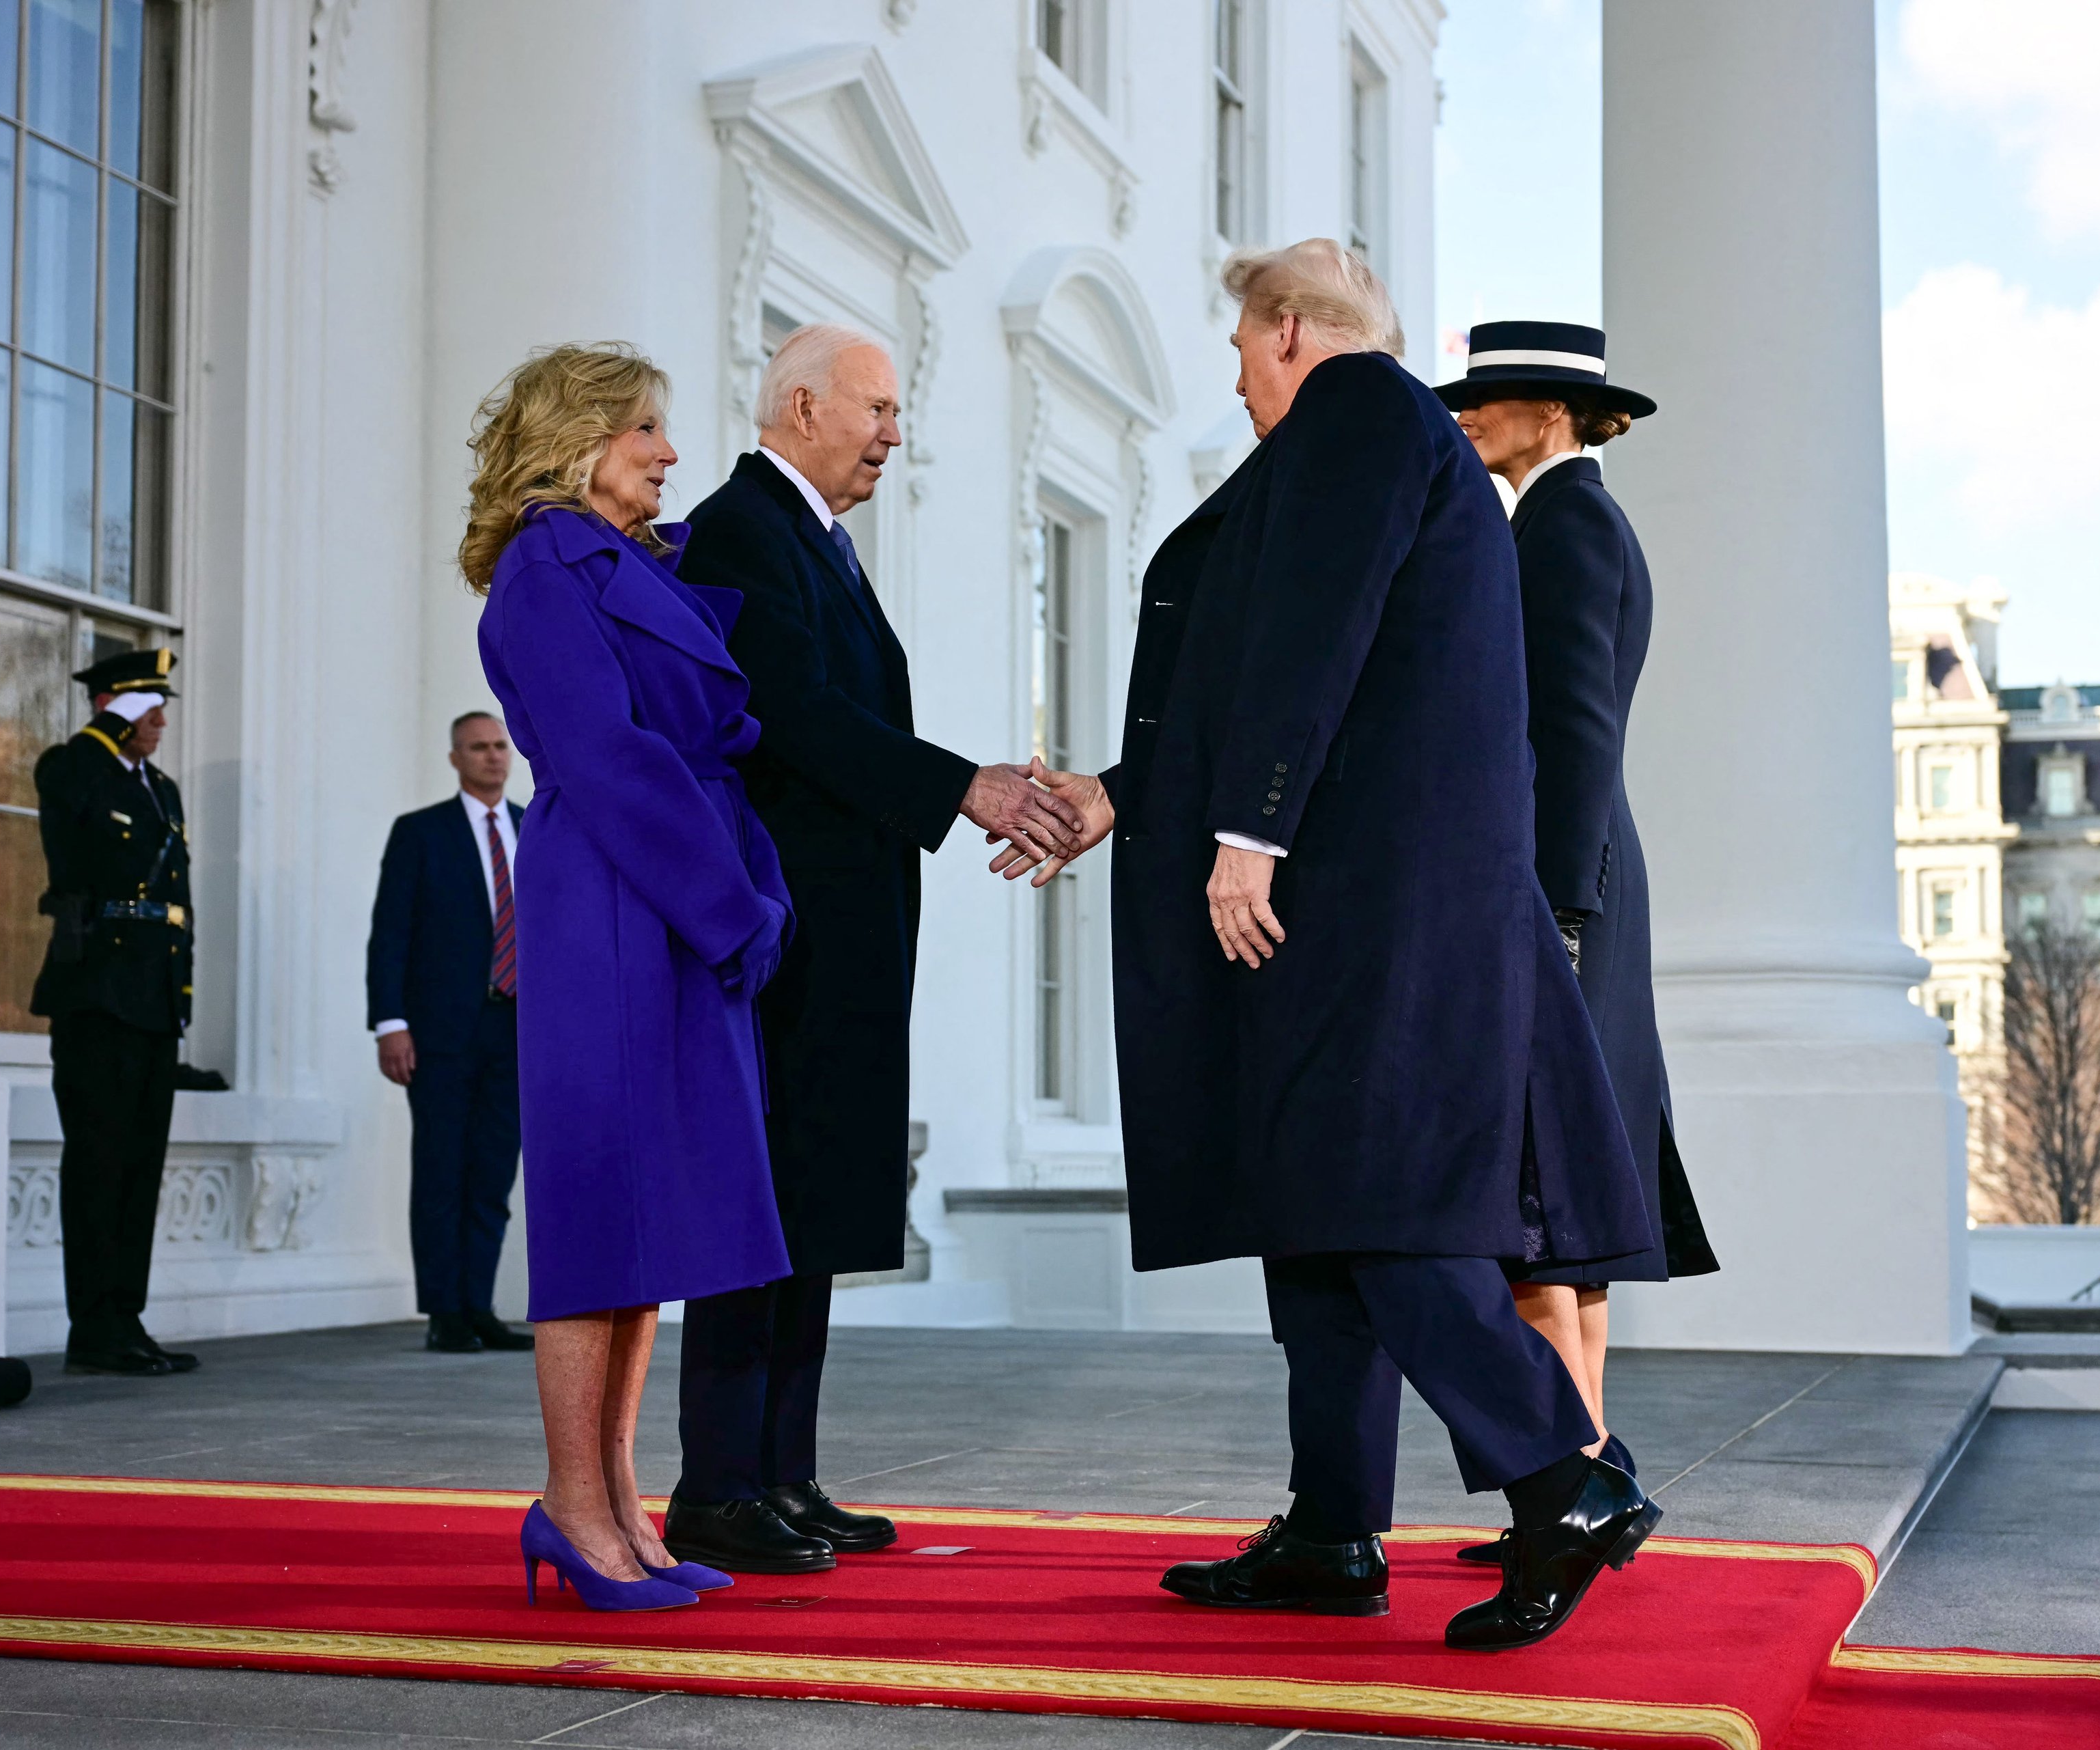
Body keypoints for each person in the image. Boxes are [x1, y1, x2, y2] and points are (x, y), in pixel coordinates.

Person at [1003, 241, 1661, 1651]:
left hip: (1371, 913)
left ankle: (1568, 1482)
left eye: (1242, 350)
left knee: (1380, 1212)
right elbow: (1268, 672)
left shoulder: (1359, 406)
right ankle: (1330, 1526)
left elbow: (1316, 634)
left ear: (1289, 328)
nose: (1237, 379)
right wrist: (1117, 802)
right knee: (1317, 1214)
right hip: (1369, 907)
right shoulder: (1388, 443)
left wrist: (1249, 831)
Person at [659, 324, 1084, 1576]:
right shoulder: (742, 527)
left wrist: (968, 788)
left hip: (843, 935)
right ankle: (715, 1481)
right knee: (766, 1204)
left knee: (821, 1197)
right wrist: (971, 788)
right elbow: (794, 714)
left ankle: (782, 1472)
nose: (895, 433)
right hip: (782, 932)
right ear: (801, 407)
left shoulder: (821, 542)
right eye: (879, 408)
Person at [467, 342, 785, 1609]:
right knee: (604, 1215)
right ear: (578, 437)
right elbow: (607, 757)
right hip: (615, 896)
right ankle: (570, 1506)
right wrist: (728, 904)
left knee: (656, 1216)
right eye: (646, 427)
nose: (666, 451)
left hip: (664, 892)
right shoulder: (547, 568)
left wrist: (746, 894)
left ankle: (618, 1506)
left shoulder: (620, 564)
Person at [1439, 322, 1720, 1524]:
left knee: (1535, 1206)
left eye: (1484, 402)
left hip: (1564, 889)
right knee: (1566, 1221)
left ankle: (1575, 1492)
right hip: (1584, 882)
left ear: (1549, 414)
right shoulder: (1565, 520)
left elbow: (1574, 732)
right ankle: (1589, 1464)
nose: (1463, 418)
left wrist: (1552, 910)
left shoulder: (1563, 526)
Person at [31, 648, 201, 1378]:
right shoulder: (75, 766)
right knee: (98, 1164)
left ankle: (125, 1316)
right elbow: (71, 831)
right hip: (97, 993)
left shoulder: (160, 787)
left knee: (139, 1167)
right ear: (114, 707)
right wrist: (105, 728)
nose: (161, 719)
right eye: (147, 706)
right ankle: (93, 1325)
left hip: (155, 998)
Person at [365, 710, 532, 1355]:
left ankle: (480, 1305)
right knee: (441, 1170)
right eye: (478, 748)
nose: (493, 757)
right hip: (439, 1031)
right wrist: (390, 1023)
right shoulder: (421, 834)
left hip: (516, 1028)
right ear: (455, 757)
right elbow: (391, 935)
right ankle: (444, 1311)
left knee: (492, 1173)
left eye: (500, 746)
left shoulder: (533, 829)